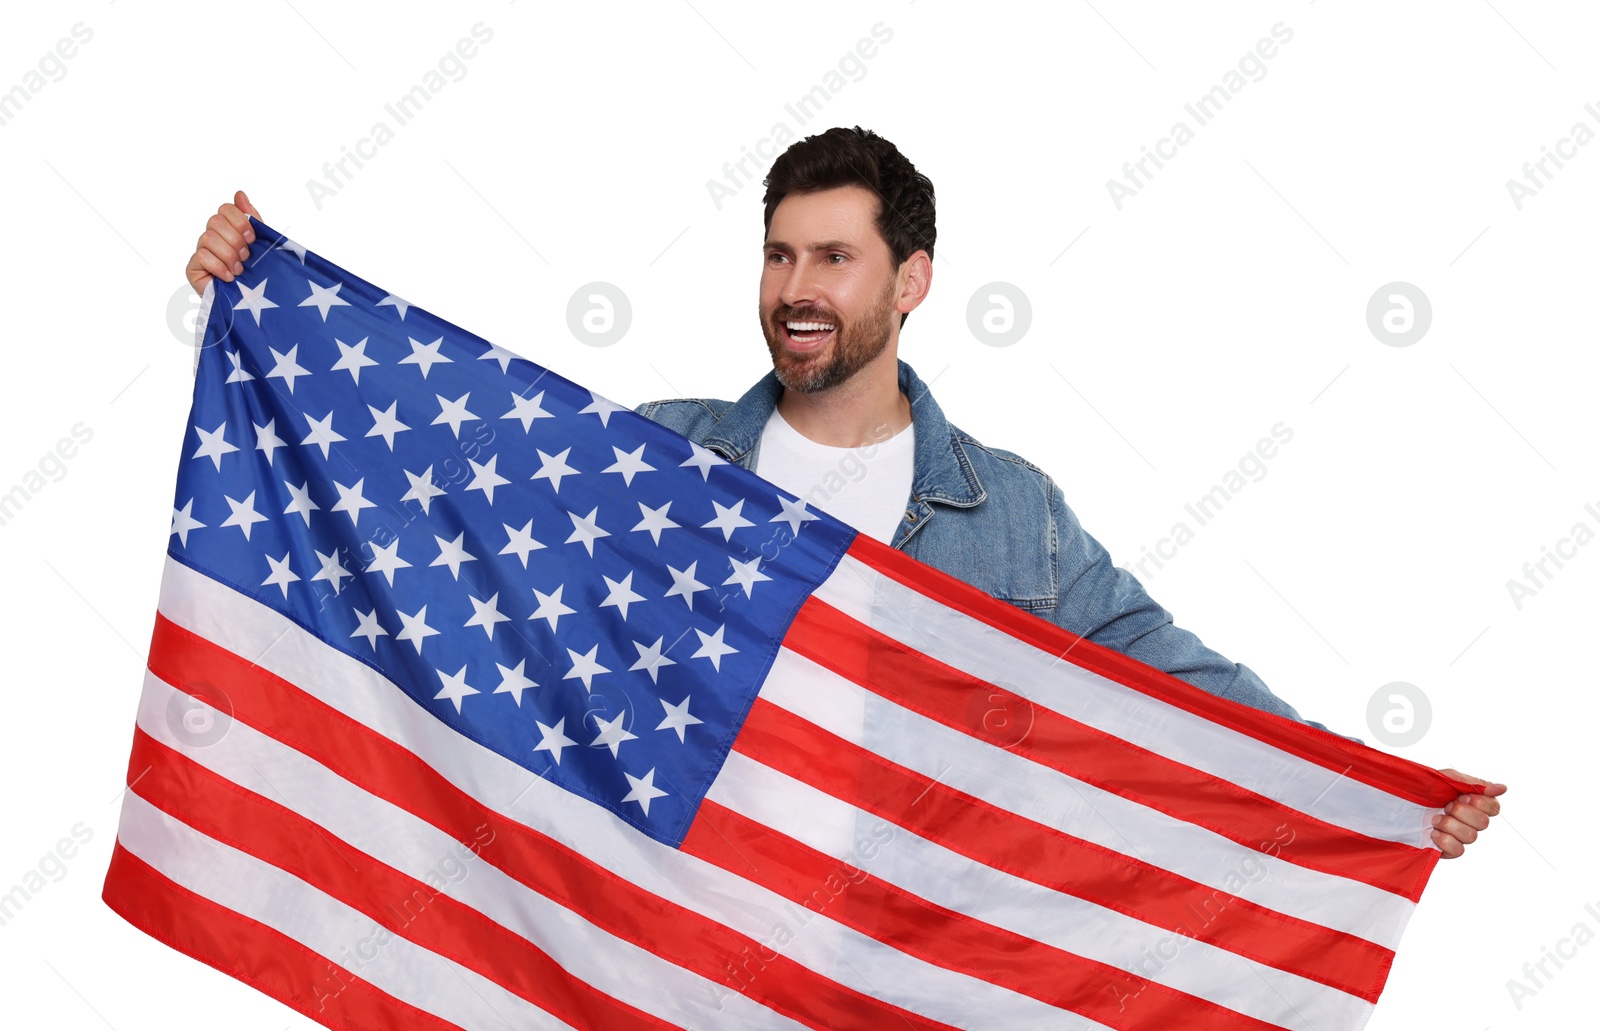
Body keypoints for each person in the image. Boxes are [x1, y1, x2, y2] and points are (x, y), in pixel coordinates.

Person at [183, 127, 1502, 858]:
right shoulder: (666, 452)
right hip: (681, 934)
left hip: (895, 953)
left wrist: (1365, 793)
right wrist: (242, 319)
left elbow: (1177, 685)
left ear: (911, 281)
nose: (794, 287)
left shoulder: (1011, 515)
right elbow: (439, 496)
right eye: (775, 254)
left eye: (832, 256)